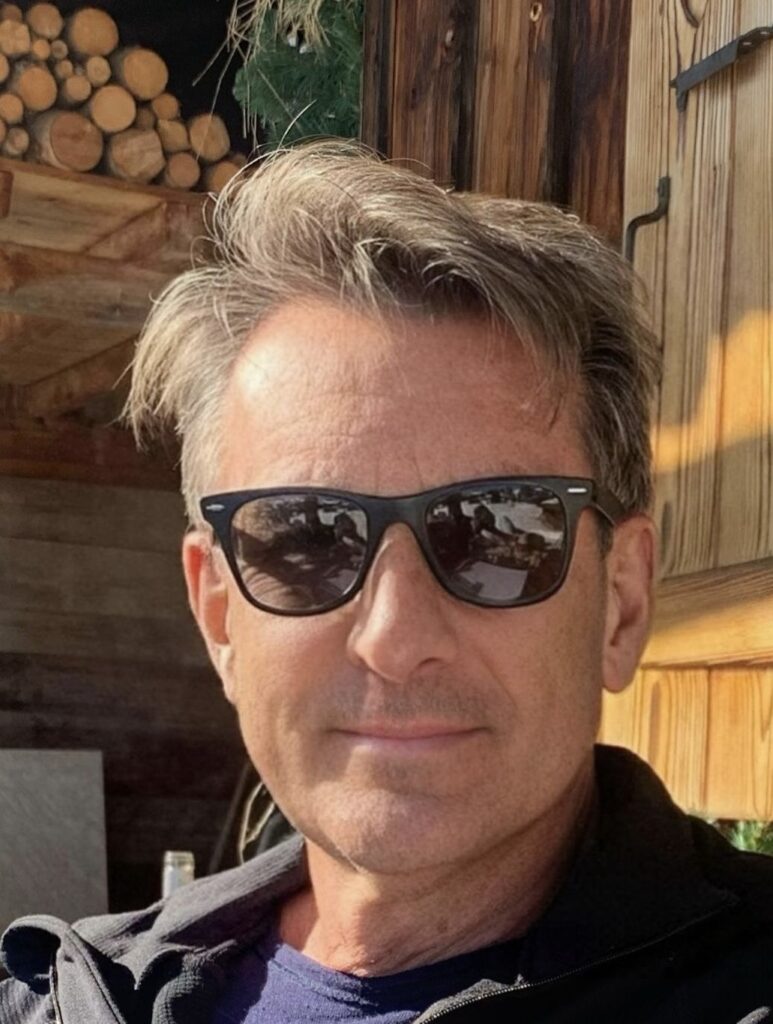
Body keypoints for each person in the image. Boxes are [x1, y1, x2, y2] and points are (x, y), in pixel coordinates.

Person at [2, 141, 772, 1024]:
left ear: (620, 605)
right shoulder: (69, 999)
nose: (395, 639)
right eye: (305, 537)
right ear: (218, 614)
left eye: (497, 530)